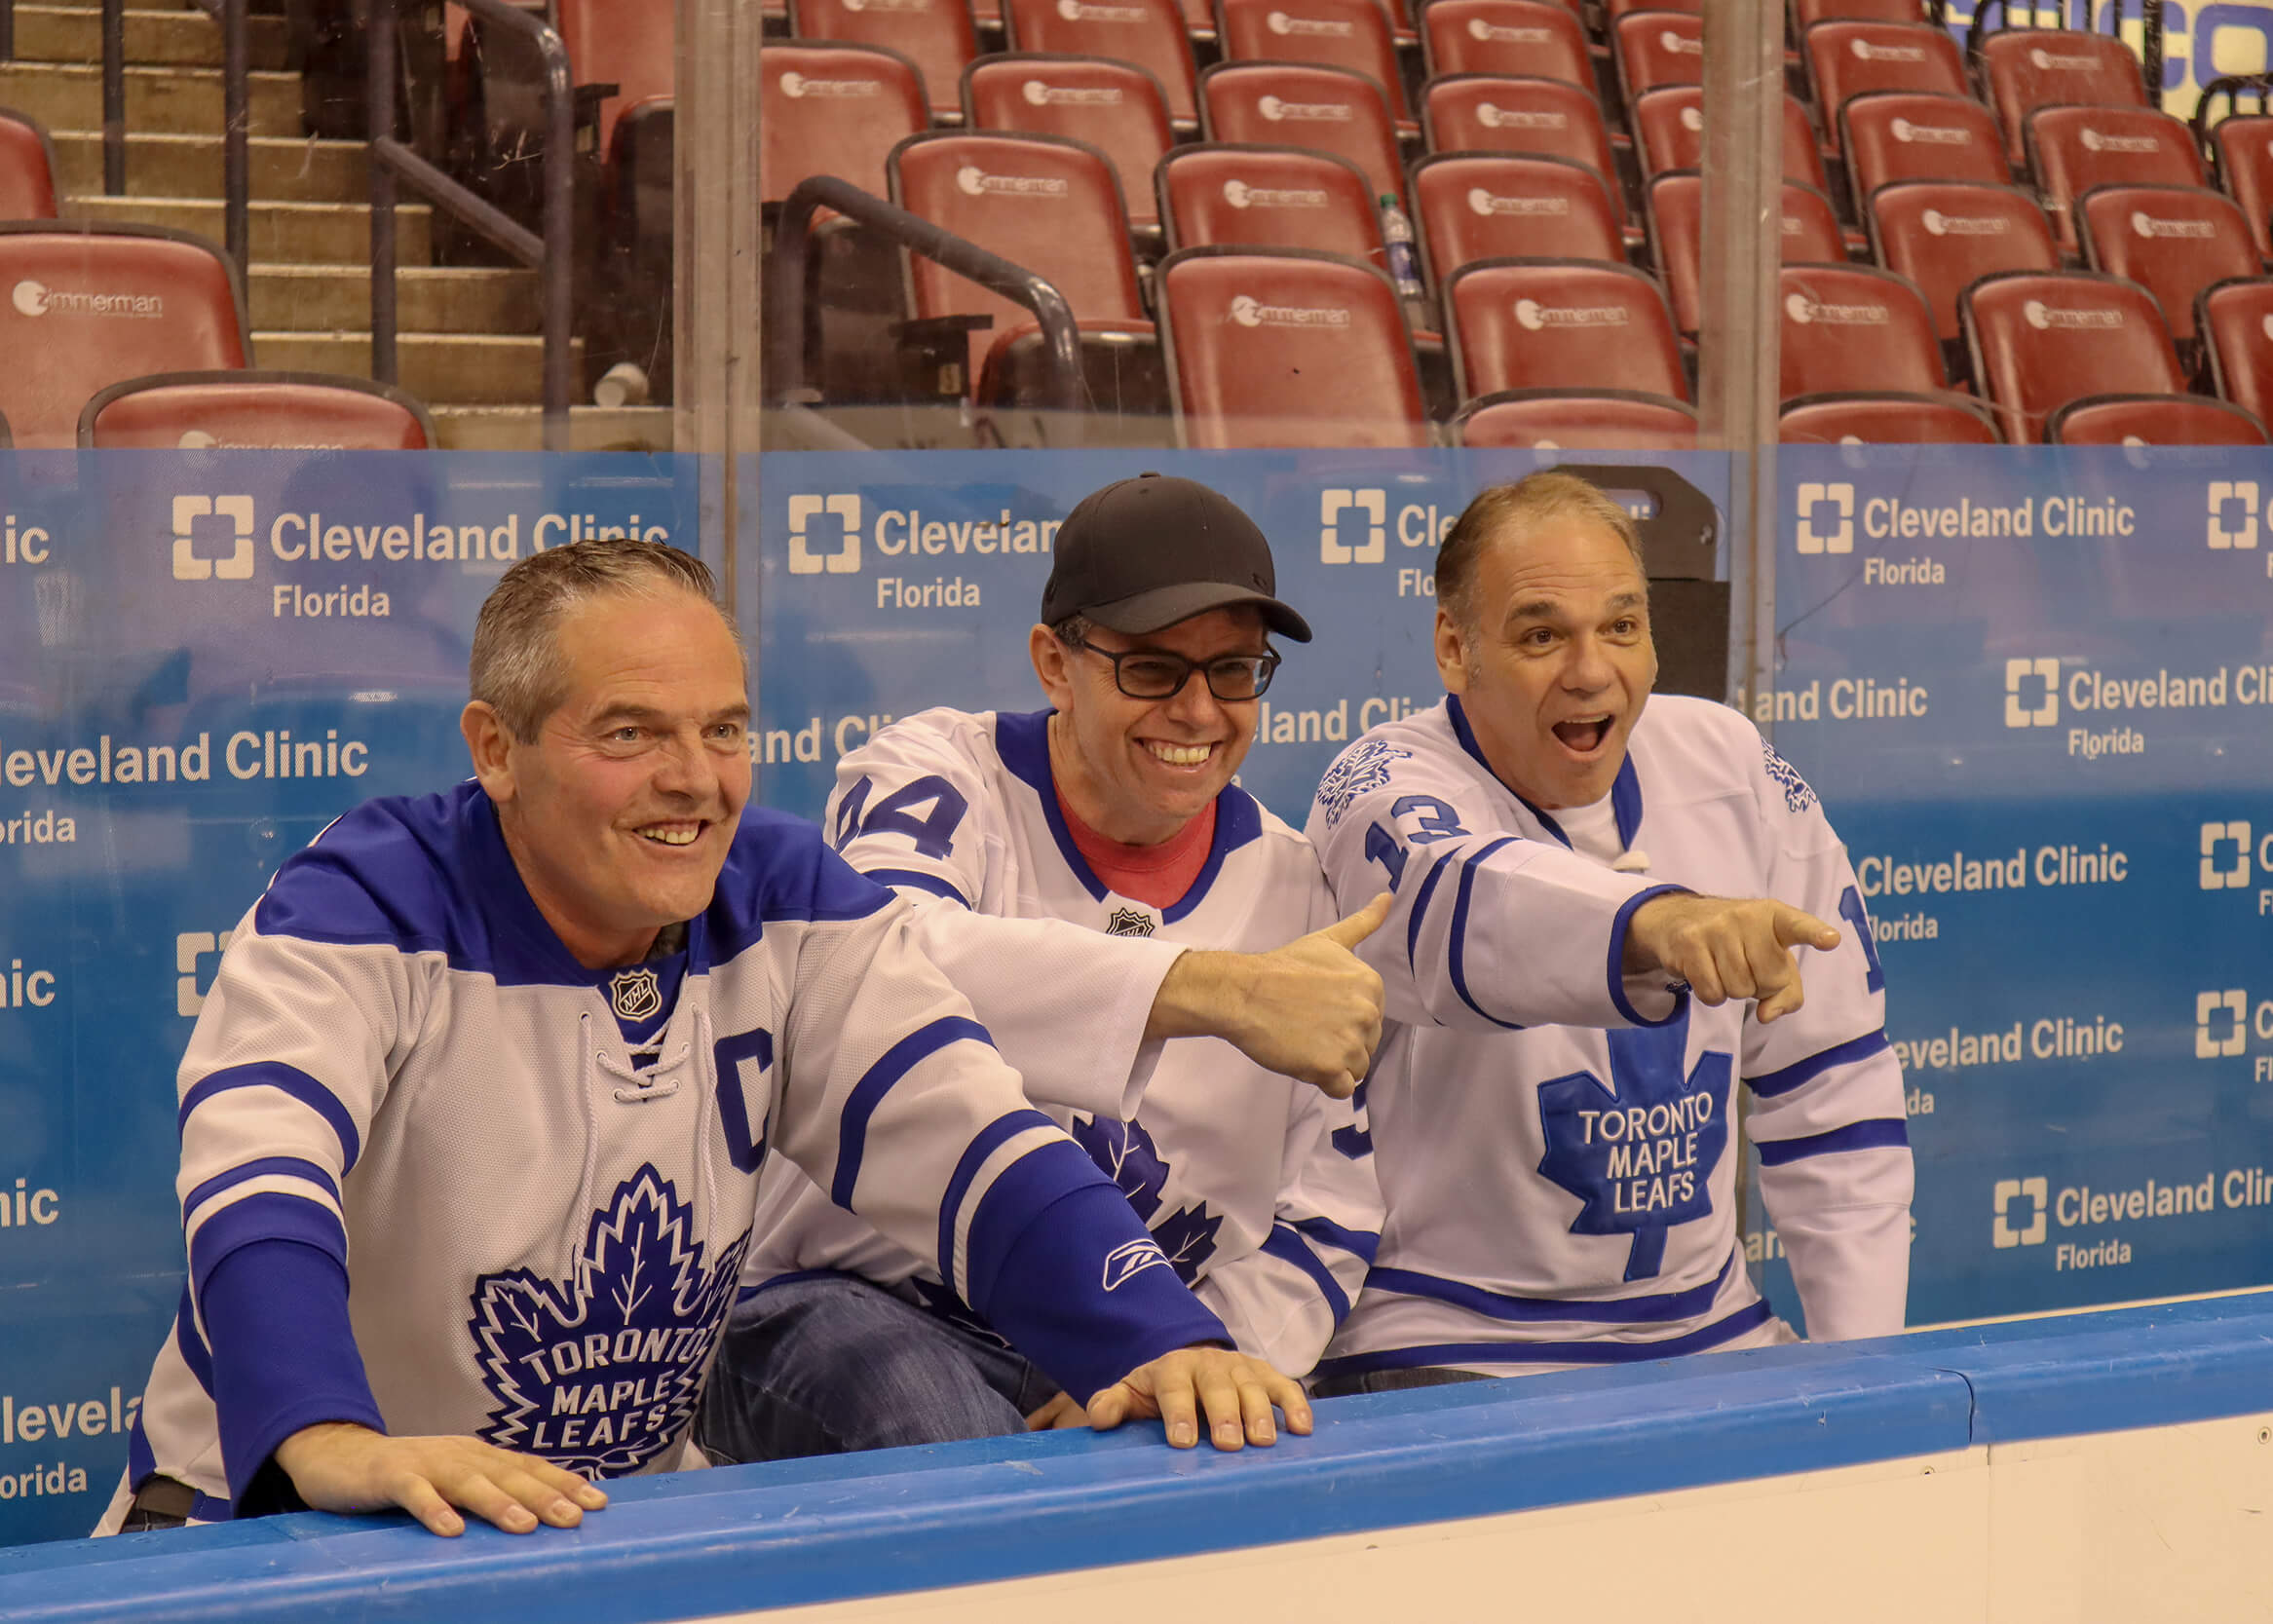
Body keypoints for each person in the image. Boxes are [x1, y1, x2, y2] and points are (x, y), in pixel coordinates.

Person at [96, 539, 1311, 1540]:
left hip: (599, 1527)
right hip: (279, 1522)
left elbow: (974, 1142)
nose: (696, 780)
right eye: (628, 734)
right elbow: (259, 1184)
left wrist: (1162, 1338)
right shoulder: (363, 898)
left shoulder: (781, 889)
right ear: (494, 748)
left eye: (724, 730)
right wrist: (327, 1438)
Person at [697, 472, 1390, 1461]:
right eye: (1152, 668)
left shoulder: (1292, 878)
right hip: (855, 1304)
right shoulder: (937, 771)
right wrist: (1217, 989)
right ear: (1053, 663)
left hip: (1140, 1333)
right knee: (950, 1443)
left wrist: (1192, 1355)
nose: (1197, 710)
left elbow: (1331, 1204)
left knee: (1211, 1447)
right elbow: (886, 961)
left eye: (1234, 670)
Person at [1302, 472, 1913, 1394]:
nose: (1591, 671)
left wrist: (1868, 1378)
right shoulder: (1381, 781)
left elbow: (1832, 1093)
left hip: (1713, 1332)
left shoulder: (1731, 764)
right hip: (1450, 1347)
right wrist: (1657, 924)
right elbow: (1470, 906)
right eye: (1541, 634)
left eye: (1621, 627)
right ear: (1454, 647)